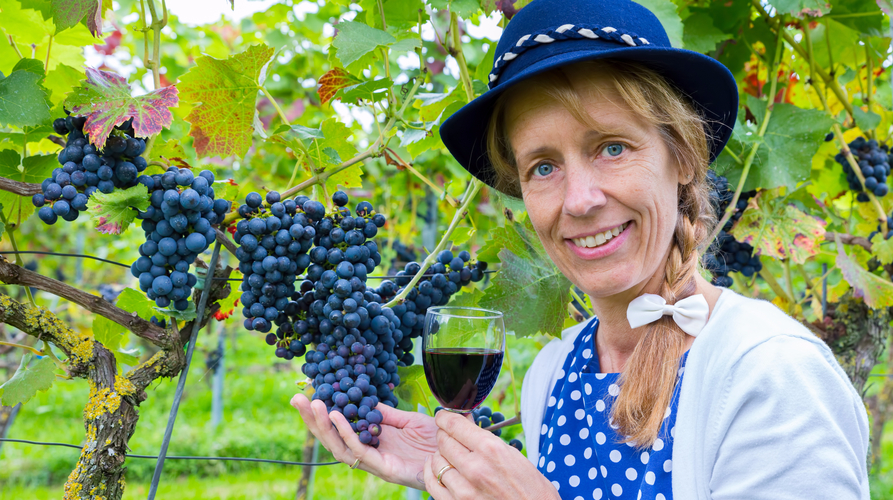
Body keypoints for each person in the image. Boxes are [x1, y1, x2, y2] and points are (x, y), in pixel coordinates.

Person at [292, 0, 871, 498]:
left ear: (684, 157)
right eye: (543, 167)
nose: (580, 200)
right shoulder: (554, 372)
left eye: (612, 148)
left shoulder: (771, 373)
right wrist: (449, 468)